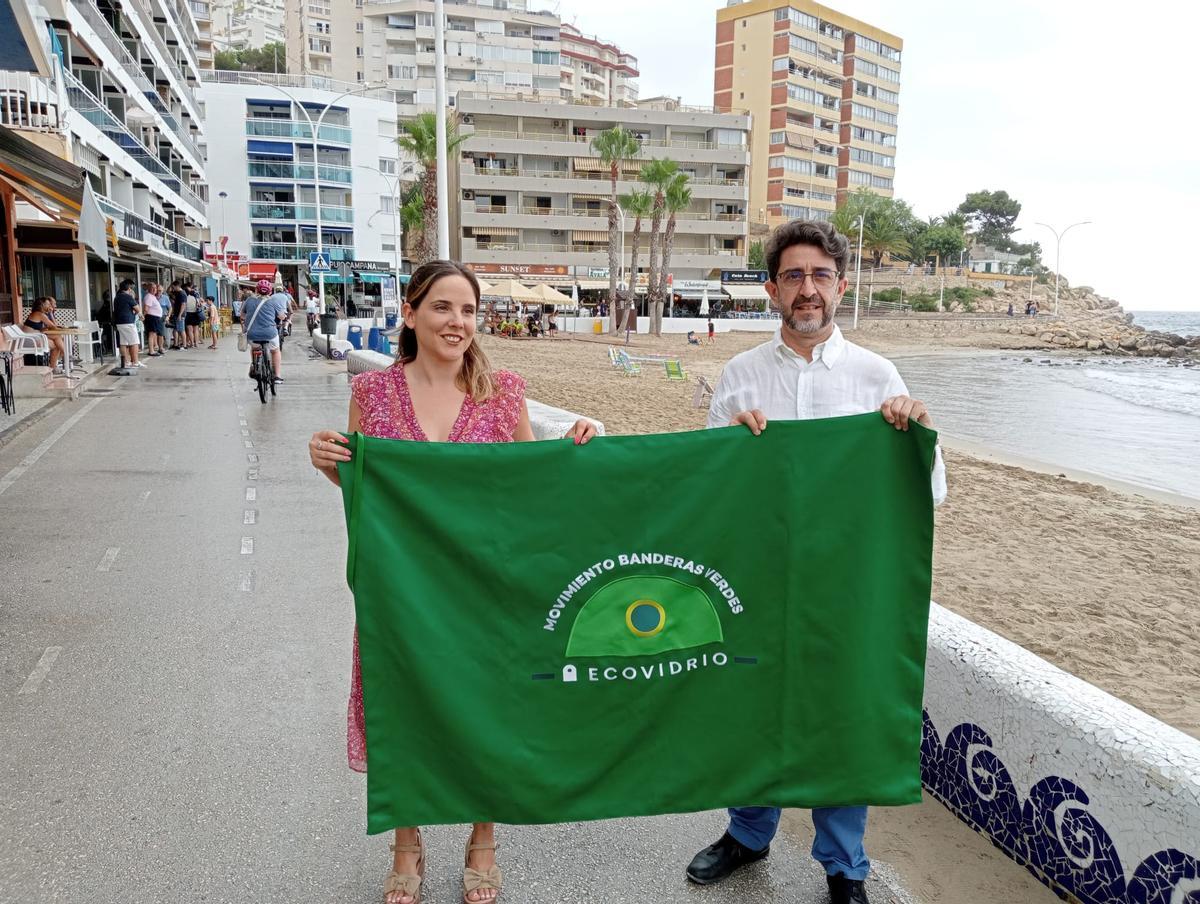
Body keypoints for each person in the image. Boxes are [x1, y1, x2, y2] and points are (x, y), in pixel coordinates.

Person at [308, 260, 597, 904]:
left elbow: (532, 486)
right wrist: (327, 462)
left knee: (484, 712)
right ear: (410, 314)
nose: (457, 322)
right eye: (442, 307)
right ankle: (406, 844)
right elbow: (369, 494)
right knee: (403, 706)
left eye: (467, 310)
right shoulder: (376, 394)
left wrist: (574, 451)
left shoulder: (504, 391)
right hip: (403, 593)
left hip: (482, 590)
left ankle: (482, 838)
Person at [686, 219, 947, 904]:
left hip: (844, 587)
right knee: (750, 706)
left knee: (841, 716)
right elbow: (706, 491)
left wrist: (913, 433)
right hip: (755, 581)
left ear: (841, 285)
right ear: (772, 290)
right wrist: (734, 451)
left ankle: (843, 865)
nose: (808, 289)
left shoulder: (877, 376)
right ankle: (747, 833)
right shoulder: (740, 377)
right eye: (794, 276)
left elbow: (931, 489)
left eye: (821, 275)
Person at [242, 278, 289, 383]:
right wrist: (284, 317)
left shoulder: (249, 300)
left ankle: (255, 365)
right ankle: (277, 376)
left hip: (252, 334)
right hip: (270, 334)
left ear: (256, 290)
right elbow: (281, 316)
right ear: (270, 291)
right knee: (275, 351)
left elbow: (242, 315)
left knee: (255, 348)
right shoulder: (273, 301)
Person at [22, 297, 67, 372]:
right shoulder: (39, 314)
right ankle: (62, 358)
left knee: (57, 341)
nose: (50, 306)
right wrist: (50, 313)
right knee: (57, 342)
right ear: (42, 305)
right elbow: (53, 327)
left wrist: (44, 329)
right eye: (48, 304)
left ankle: (62, 358)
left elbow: (39, 328)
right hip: (30, 340)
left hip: (35, 337)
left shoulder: (39, 314)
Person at [113, 279, 144, 368]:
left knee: (123, 343)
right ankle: (135, 362)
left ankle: (126, 362)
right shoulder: (127, 297)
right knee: (134, 342)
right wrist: (141, 315)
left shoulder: (117, 297)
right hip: (128, 322)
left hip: (119, 323)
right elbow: (137, 308)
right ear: (129, 288)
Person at [142, 282, 164, 356]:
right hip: (152, 318)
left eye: (155, 288)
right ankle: (151, 351)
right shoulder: (149, 296)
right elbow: (146, 309)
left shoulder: (152, 296)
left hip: (155, 318)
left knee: (153, 334)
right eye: (152, 288)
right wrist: (143, 317)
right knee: (151, 334)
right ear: (148, 289)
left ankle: (153, 349)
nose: (155, 289)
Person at [183, 282, 202, 348]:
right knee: (196, 330)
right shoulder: (196, 298)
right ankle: (196, 343)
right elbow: (199, 305)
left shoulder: (185, 298)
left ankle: (192, 343)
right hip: (195, 314)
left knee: (190, 330)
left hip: (188, 314)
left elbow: (184, 306)